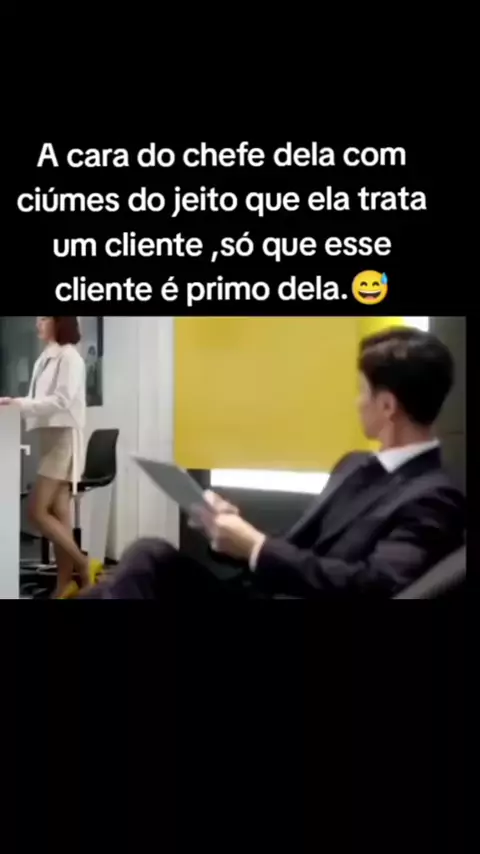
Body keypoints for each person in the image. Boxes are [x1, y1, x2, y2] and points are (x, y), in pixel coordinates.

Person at [82, 327, 465, 600]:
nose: (356, 402)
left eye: (361, 391)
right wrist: (232, 533)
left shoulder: (433, 498)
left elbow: (372, 586)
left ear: (387, 405)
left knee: (135, 571)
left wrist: (255, 545)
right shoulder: (354, 465)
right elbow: (295, 544)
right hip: (257, 587)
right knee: (145, 559)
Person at [0, 316, 90, 598]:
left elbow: (61, 400)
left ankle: (83, 564)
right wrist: (15, 403)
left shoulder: (70, 357)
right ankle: (64, 586)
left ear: (59, 322)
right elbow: (37, 400)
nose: (37, 323)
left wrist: (20, 404)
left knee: (36, 512)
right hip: (49, 437)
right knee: (60, 515)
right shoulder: (46, 358)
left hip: (63, 439)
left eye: (43, 318)